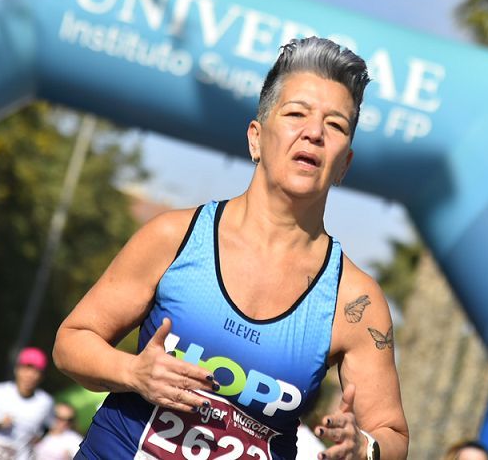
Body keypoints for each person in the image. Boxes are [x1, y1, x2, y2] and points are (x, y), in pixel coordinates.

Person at [54, 36, 409, 460]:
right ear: (255, 139)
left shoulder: (356, 301)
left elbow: (392, 434)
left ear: (344, 165)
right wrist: (132, 372)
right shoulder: (173, 237)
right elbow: (71, 342)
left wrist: (363, 448)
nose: (314, 133)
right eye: (296, 113)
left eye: (335, 125)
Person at [0, 347, 55, 459]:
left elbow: (48, 427)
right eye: (27, 368)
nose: (30, 375)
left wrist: (38, 438)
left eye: (36, 371)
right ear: (17, 369)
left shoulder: (45, 402)